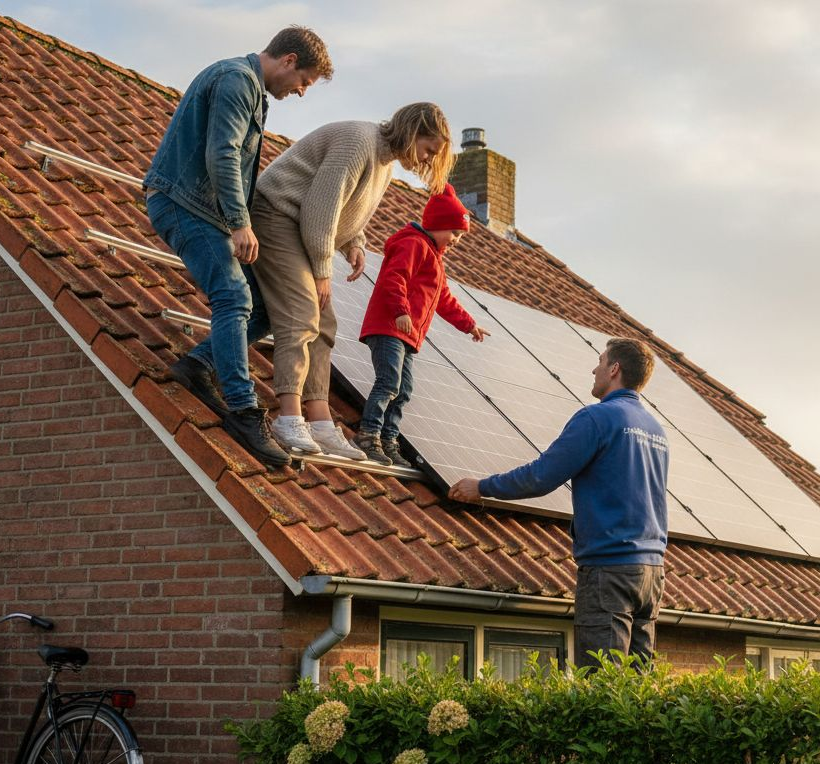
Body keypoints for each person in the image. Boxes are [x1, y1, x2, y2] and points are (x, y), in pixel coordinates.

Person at [199, 104, 456, 461]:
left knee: (326, 322)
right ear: (414, 132)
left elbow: (350, 208)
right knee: (302, 313)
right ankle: (288, 416)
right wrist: (323, 272)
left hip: (300, 226)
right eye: (429, 149)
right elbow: (321, 211)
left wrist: (355, 243)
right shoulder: (359, 142)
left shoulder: (383, 161)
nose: (427, 160)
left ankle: (319, 421)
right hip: (277, 215)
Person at [144, 26, 332, 469]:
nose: (301, 93)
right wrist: (240, 223)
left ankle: (198, 366)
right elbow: (224, 154)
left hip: (203, 210)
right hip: (185, 205)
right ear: (288, 60)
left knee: (266, 306)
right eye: (304, 82)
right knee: (234, 296)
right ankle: (245, 411)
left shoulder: (250, 89)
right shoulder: (237, 80)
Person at [448, 338, 670, 669]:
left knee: (602, 686)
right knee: (637, 693)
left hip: (610, 569)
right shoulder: (656, 430)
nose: (593, 369)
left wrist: (481, 487)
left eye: (600, 361)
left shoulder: (597, 419)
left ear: (614, 369)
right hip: (652, 572)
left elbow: (542, 476)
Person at [356, 184, 490, 467]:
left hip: (407, 335)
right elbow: (395, 278)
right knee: (388, 382)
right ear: (438, 225)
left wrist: (470, 325)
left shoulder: (436, 261)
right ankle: (368, 435)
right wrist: (401, 311)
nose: (456, 239)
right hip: (389, 326)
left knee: (404, 390)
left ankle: (389, 440)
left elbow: (444, 300)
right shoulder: (413, 245)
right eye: (454, 232)